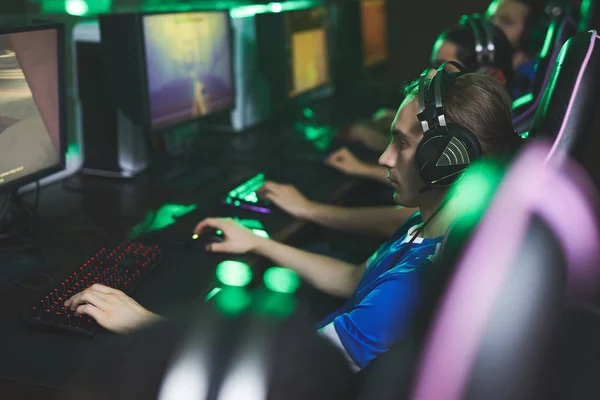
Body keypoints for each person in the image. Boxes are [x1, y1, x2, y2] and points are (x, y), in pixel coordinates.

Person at [64, 72, 520, 370]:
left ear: (445, 159)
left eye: (401, 144)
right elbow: (353, 277)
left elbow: (288, 381)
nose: (383, 157)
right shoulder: (436, 224)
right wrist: (260, 244)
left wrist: (145, 326)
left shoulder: (415, 284)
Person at [486, 0, 548, 85]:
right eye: (489, 19)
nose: (493, 26)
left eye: (507, 21)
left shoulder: (535, 79)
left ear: (529, 32)